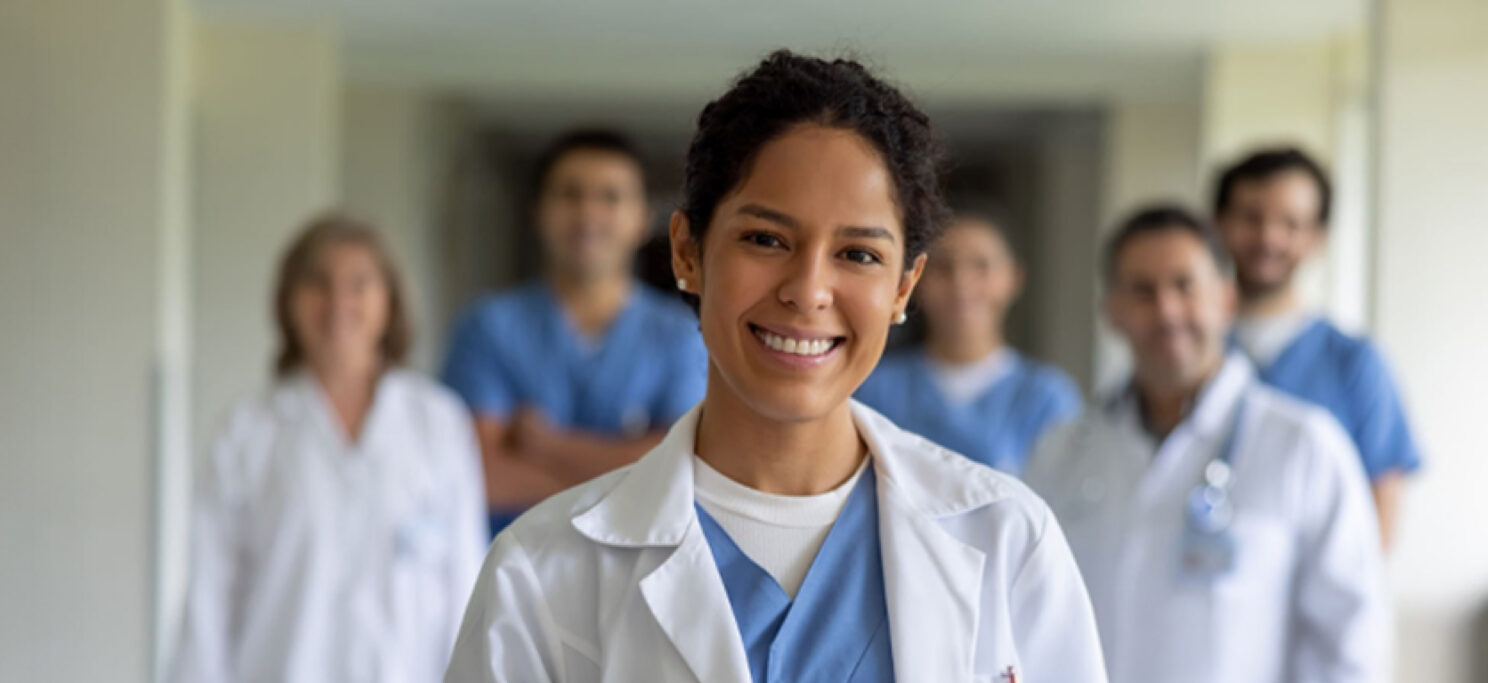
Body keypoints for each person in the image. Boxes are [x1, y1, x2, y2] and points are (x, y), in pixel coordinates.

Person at [446, 51, 1106, 683]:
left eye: (859, 254)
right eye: (766, 239)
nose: (808, 290)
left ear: (904, 287)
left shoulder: (1007, 539)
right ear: (687, 252)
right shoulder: (541, 569)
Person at [1026, 206, 1389, 683]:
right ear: (1110, 311)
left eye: (1185, 286)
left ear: (1227, 299)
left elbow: (1352, 639)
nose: (1167, 311)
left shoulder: (1305, 446)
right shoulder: (1061, 451)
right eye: (1142, 291)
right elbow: (1031, 615)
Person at [176, 216, 486, 683]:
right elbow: (208, 596)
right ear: (288, 300)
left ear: (390, 300)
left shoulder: (438, 423)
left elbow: (465, 580)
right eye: (318, 283)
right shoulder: (247, 431)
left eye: (359, 284)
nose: (338, 302)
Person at [441, 128, 709, 536]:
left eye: (610, 197)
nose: (588, 215)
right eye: (570, 195)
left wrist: (545, 445)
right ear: (537, 211)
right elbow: (479, 472)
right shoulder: (488, 327)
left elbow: (684, 468)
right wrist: (624, 477)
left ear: (643, 219)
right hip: (513, 561)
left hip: (640, 566)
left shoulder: (681, 336)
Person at [1211, 148, 1419, 548]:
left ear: (1317, 237)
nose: (1268, 237)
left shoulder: (1356, 364)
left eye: (1290, 223)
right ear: (1218, 223)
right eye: (1251, 217)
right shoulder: (1189, 354)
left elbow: (1378, 525)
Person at [854, 215, 1081, 474]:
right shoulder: (872, 387)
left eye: (981, 266)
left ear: (1014, 278)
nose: (961, 284)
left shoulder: (1047, 399)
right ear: (916, 279)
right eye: (943, 267)